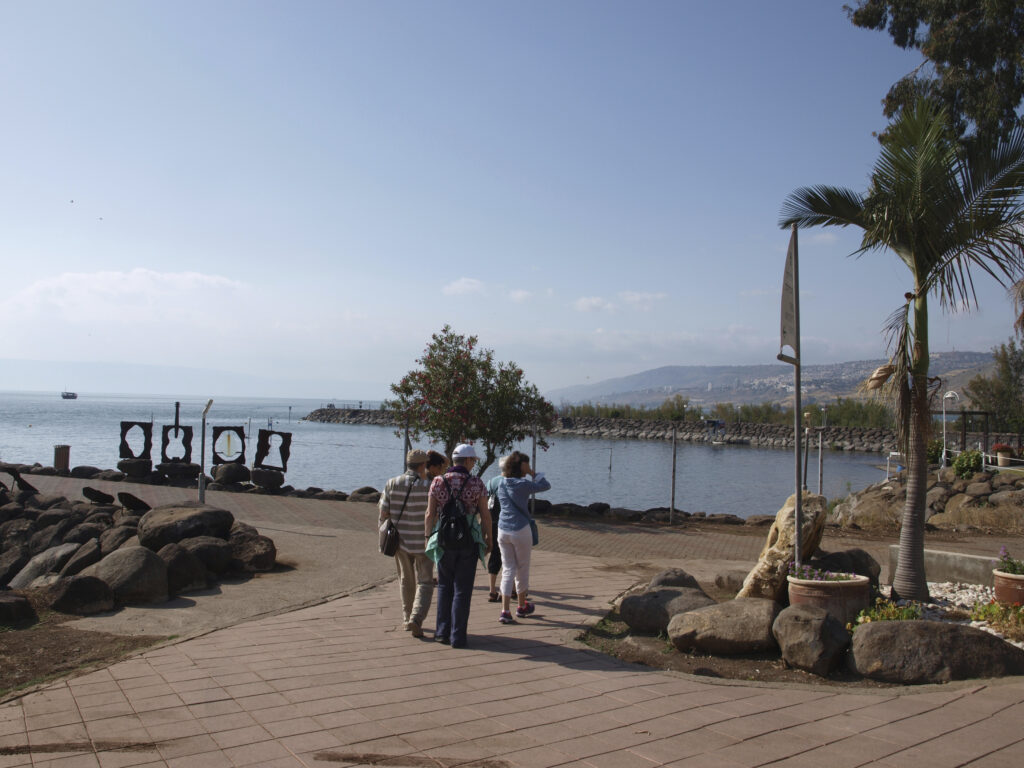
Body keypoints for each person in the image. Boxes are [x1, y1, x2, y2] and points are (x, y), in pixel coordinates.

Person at [424, 443, 491, 648]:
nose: (473, 464)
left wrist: (428, 538)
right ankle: (458, 636)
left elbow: (430, 514)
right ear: (468, 461)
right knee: (463, 589)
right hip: (468, 541)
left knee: (444, 586)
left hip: (444, 540)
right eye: (473, 461)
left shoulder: (437, 481)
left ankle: (441, 632)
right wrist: (488, 538)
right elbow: (485, 514)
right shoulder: (476, 483)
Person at [378, 449, 433, 637]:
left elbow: (383, 514)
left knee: (405, 581)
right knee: (425, 582)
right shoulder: (430, 486)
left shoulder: (392, 483)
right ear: (423, 465)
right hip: (424, 542)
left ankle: (406, 617)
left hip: (400, 542)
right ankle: (417, 617)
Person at [493, 451, 550, 623]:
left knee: (508, 569)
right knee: (522, 568)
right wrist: (533, 473)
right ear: (522, 467)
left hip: (502, 529)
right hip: (520, 530)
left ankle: (505, 610)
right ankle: (521, 605)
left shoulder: (501, 483)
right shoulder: (523, 484)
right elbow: (545, 485)